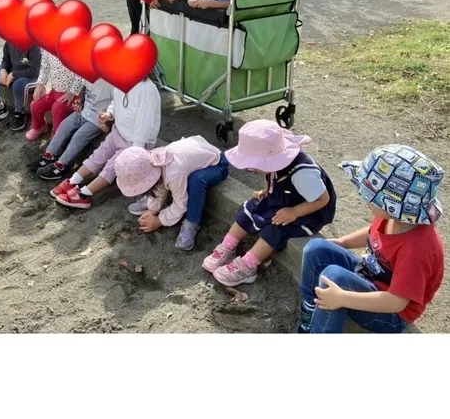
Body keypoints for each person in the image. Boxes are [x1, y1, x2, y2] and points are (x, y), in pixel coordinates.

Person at [297, 144, 444, 334]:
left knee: (335, 277)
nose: (363, 197)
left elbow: (396, 302)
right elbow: (373, 232)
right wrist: (343, 242)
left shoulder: (417, 249)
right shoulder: (396, 218)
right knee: (317, 248)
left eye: (370, 196)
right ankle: (311, 309)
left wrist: (341, 298)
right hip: (369, 276)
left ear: (392, 204)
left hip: (390, 314)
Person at [203, 119, 336, 287]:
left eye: (253, 166)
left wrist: (294, 212)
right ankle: (228, 246)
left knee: (277, 228)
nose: (251, 170)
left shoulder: (303, 174)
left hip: (307, 211)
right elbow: (270, 174)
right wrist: (266, 189)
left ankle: (248, 266)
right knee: (251, 207)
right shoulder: (275, 162)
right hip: (283, 199)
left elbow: (323, 200)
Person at [52, 79, 161, 210]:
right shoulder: (122, 82)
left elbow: (145, 122)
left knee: (112, 166)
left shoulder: (146, 90)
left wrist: (135, 150)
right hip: (119, 131)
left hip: (136, 142)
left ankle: (85, 194)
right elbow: (116, 102)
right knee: (99, 154)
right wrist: (109, 114)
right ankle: (74, 180)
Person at [113, 136, 230, 251]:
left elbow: (180, 204)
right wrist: (153, 210)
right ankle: (150, 202)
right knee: (169, 181)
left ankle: (192, 222)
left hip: (217, 163)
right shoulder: (153, 161)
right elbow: (159, 183)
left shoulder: (173, 174)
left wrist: (160, 221)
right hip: (193, 153)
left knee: (196, 181)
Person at [27, 78, 114, 181]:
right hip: (83, 111)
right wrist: (80, 102)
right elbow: (85, 90)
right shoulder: (90, 75)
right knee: (65, 125)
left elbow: (116, 105)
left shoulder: (113, 85)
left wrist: (107, 120)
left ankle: (62, 164)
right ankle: (50, 154)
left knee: (79, 137)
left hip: (97, 120)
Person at [0, 40, 42, 132]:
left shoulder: (34, 45)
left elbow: (34, 71)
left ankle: (19, 113)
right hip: (11, 75)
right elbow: (5, 59)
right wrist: (3, 70)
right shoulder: (9, 42)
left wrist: (13, 75)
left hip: (30, 78)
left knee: (18, 84)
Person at [26, 50, 84, 141]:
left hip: (73, 95)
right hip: (54, 92)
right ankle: (40, 126)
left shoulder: (76, 48)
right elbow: (44, 68)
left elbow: (82, 72)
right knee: (35, 105)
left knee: (58, 108)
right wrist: (40, 84)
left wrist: (72, 92)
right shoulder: (48, 49)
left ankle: (58, 137)